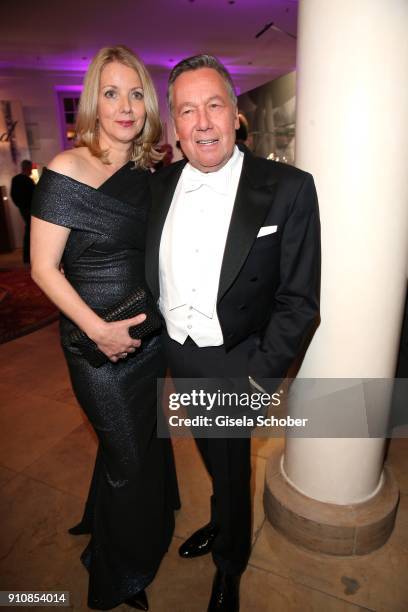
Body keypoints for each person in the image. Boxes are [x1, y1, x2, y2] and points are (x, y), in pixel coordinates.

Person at [146, 54, 321, 612]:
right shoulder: (159, 186)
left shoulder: (288, 188)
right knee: (212, 459)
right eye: (187, 110)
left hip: (237, 364)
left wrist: (259, 381)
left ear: (235, 111)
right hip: (181, 356)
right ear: (174, 124)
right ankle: (223, 524)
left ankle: (230, 563)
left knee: (233, 463)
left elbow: (299, 301)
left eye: (213, 105)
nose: (202, 123)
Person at [31, 45, 179, 611]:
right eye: (112, 92)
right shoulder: (67, 167)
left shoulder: (147, 174)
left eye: (136, 93)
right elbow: (44, 268)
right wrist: (99, 331)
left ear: (148, 104)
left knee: (137, 445)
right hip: (99, 350)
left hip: (148, 341)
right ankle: (120, 574)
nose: (125, 106)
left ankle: (113, 523)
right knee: (129, 457)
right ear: (94, 99)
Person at [10, 159, 35, 263]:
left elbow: (13, 195)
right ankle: (30, 257)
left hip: (24, 209)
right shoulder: (28, 181)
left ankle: (27, 257)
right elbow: (35, 195)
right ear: (28, 168)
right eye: (31, 168)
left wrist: (20, 206)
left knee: (29, 232)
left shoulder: (15, 179)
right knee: (31, 232)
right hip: (31, 210)